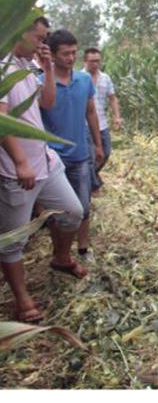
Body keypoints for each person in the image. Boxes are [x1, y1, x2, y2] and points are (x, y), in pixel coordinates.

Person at [0, 18, 87, 323]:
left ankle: (61, 258)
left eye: (45, 40)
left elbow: (47, 103)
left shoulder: (26, 69)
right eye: (38, 39)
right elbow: (1, 119)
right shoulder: (3, 69)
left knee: (73, 211)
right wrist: (20, 161)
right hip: (16, 171)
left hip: (45, 163)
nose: (42, 45)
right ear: (17, 31)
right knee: (13, 240)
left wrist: (48, 68)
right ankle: (22, 299)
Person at [40, 29, 104, 259]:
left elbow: (91, 113)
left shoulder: (84, 80)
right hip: (51, 158)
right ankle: (59, 251)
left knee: (84, 206)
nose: (70, 58)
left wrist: (97, 144)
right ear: (53, 55)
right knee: (56, 212)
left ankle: (83, 247)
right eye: (65, 53)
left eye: (73, 53)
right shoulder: (41, 83)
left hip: (79, 155)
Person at [82, 47, 123, 194]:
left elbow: (112, 98)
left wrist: (117, 116)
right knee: (91, 156)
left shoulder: (105, 78)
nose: (95, 64)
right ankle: (93, 185)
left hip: (102, 123)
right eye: (92, 61)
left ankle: (91, 176)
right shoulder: (78, 78)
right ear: (85, 61)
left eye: (98, 61)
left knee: (105, 152)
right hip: (84, 124)